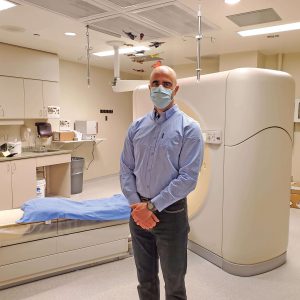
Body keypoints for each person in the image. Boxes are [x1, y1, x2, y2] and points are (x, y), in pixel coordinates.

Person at [120, 66, 204, 300]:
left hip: (171, 214)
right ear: (149, 88)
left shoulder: (189, 128)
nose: (160, 88)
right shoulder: (136, 127)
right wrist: (137, 206)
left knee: (174, 282)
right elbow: (126, 168)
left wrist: (151, 207)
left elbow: (188, 178)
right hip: (137, 213)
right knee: (145, 279)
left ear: (175, 89)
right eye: (155, 83)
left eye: (166, 84)